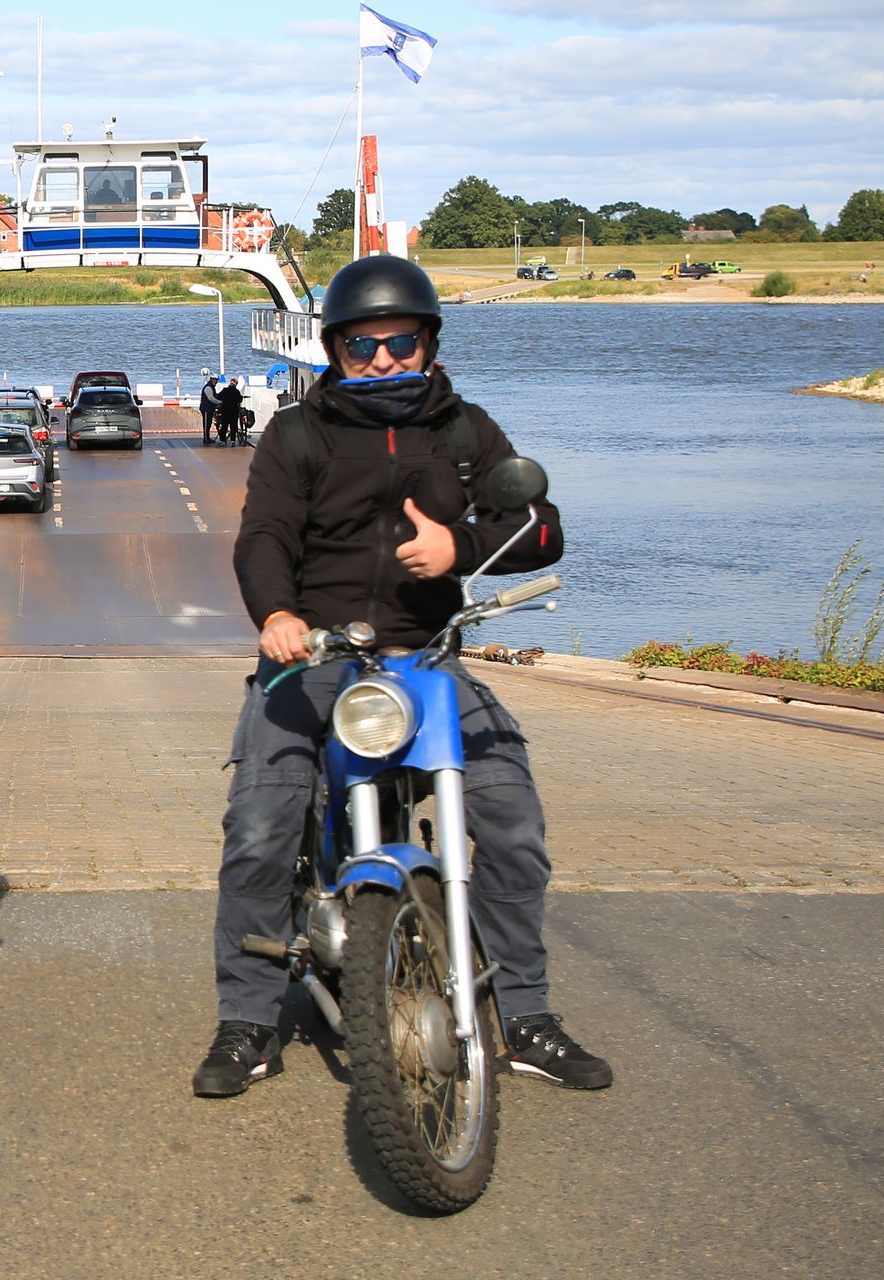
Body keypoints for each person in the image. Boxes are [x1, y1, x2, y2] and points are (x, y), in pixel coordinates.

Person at [191, 254, 612, 1099]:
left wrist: (463, 547)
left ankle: (525, 1015)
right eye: (362, 346)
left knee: (512, 818)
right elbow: (264, 534)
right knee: (261, 825)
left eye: (400, 343)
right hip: (312, 657)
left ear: (429, 344)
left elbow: (540, 526)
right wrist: (277, 615)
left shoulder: (465, 432)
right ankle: (248, 1021)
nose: (382, 360)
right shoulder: (297, 435)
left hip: (426, 655)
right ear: (335, 351)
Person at [215, 377, 244, 445]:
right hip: (234, 411)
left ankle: (222, 440)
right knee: (233, 426)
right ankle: (232, 441)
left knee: (224, 426)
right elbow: (240, 400)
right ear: (236, 384)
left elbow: (218, 397)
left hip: (225, 410)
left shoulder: (225, 390)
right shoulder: (236, 391)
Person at [199, 375, 220, 445]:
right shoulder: (208, 387)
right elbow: (211, 398)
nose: (216, 381)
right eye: (214, 379)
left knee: (209, 423)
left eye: (216, 380)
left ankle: (207, 437)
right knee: (206, 423)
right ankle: (205, 438)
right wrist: (219, 402)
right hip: (206, 408)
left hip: (210, 408)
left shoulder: (212, 387)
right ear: (211, 379)